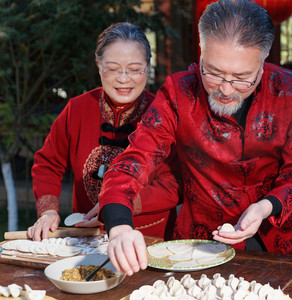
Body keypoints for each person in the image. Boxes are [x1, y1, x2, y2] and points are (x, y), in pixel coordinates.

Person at [99, 0, 292, 276]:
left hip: (276, 239)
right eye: (213, 73)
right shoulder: (178, 93)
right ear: (201, 51)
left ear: (263, 63)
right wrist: (119, 226)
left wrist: (266, 207)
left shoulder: (289, 90)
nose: (226, 89)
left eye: (242, 78)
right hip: (200, 244)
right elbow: (134, 160)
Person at [27, 22, 180, 242]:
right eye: (113, 68)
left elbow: (176, 183)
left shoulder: (163, 114)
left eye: (135, 69)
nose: (124, 79)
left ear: (148, 67)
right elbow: (47, 164)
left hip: (149, 238)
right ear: (99, 66)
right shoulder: (77, 109)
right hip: (87, 239)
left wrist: (116, 204)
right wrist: (48, 211)